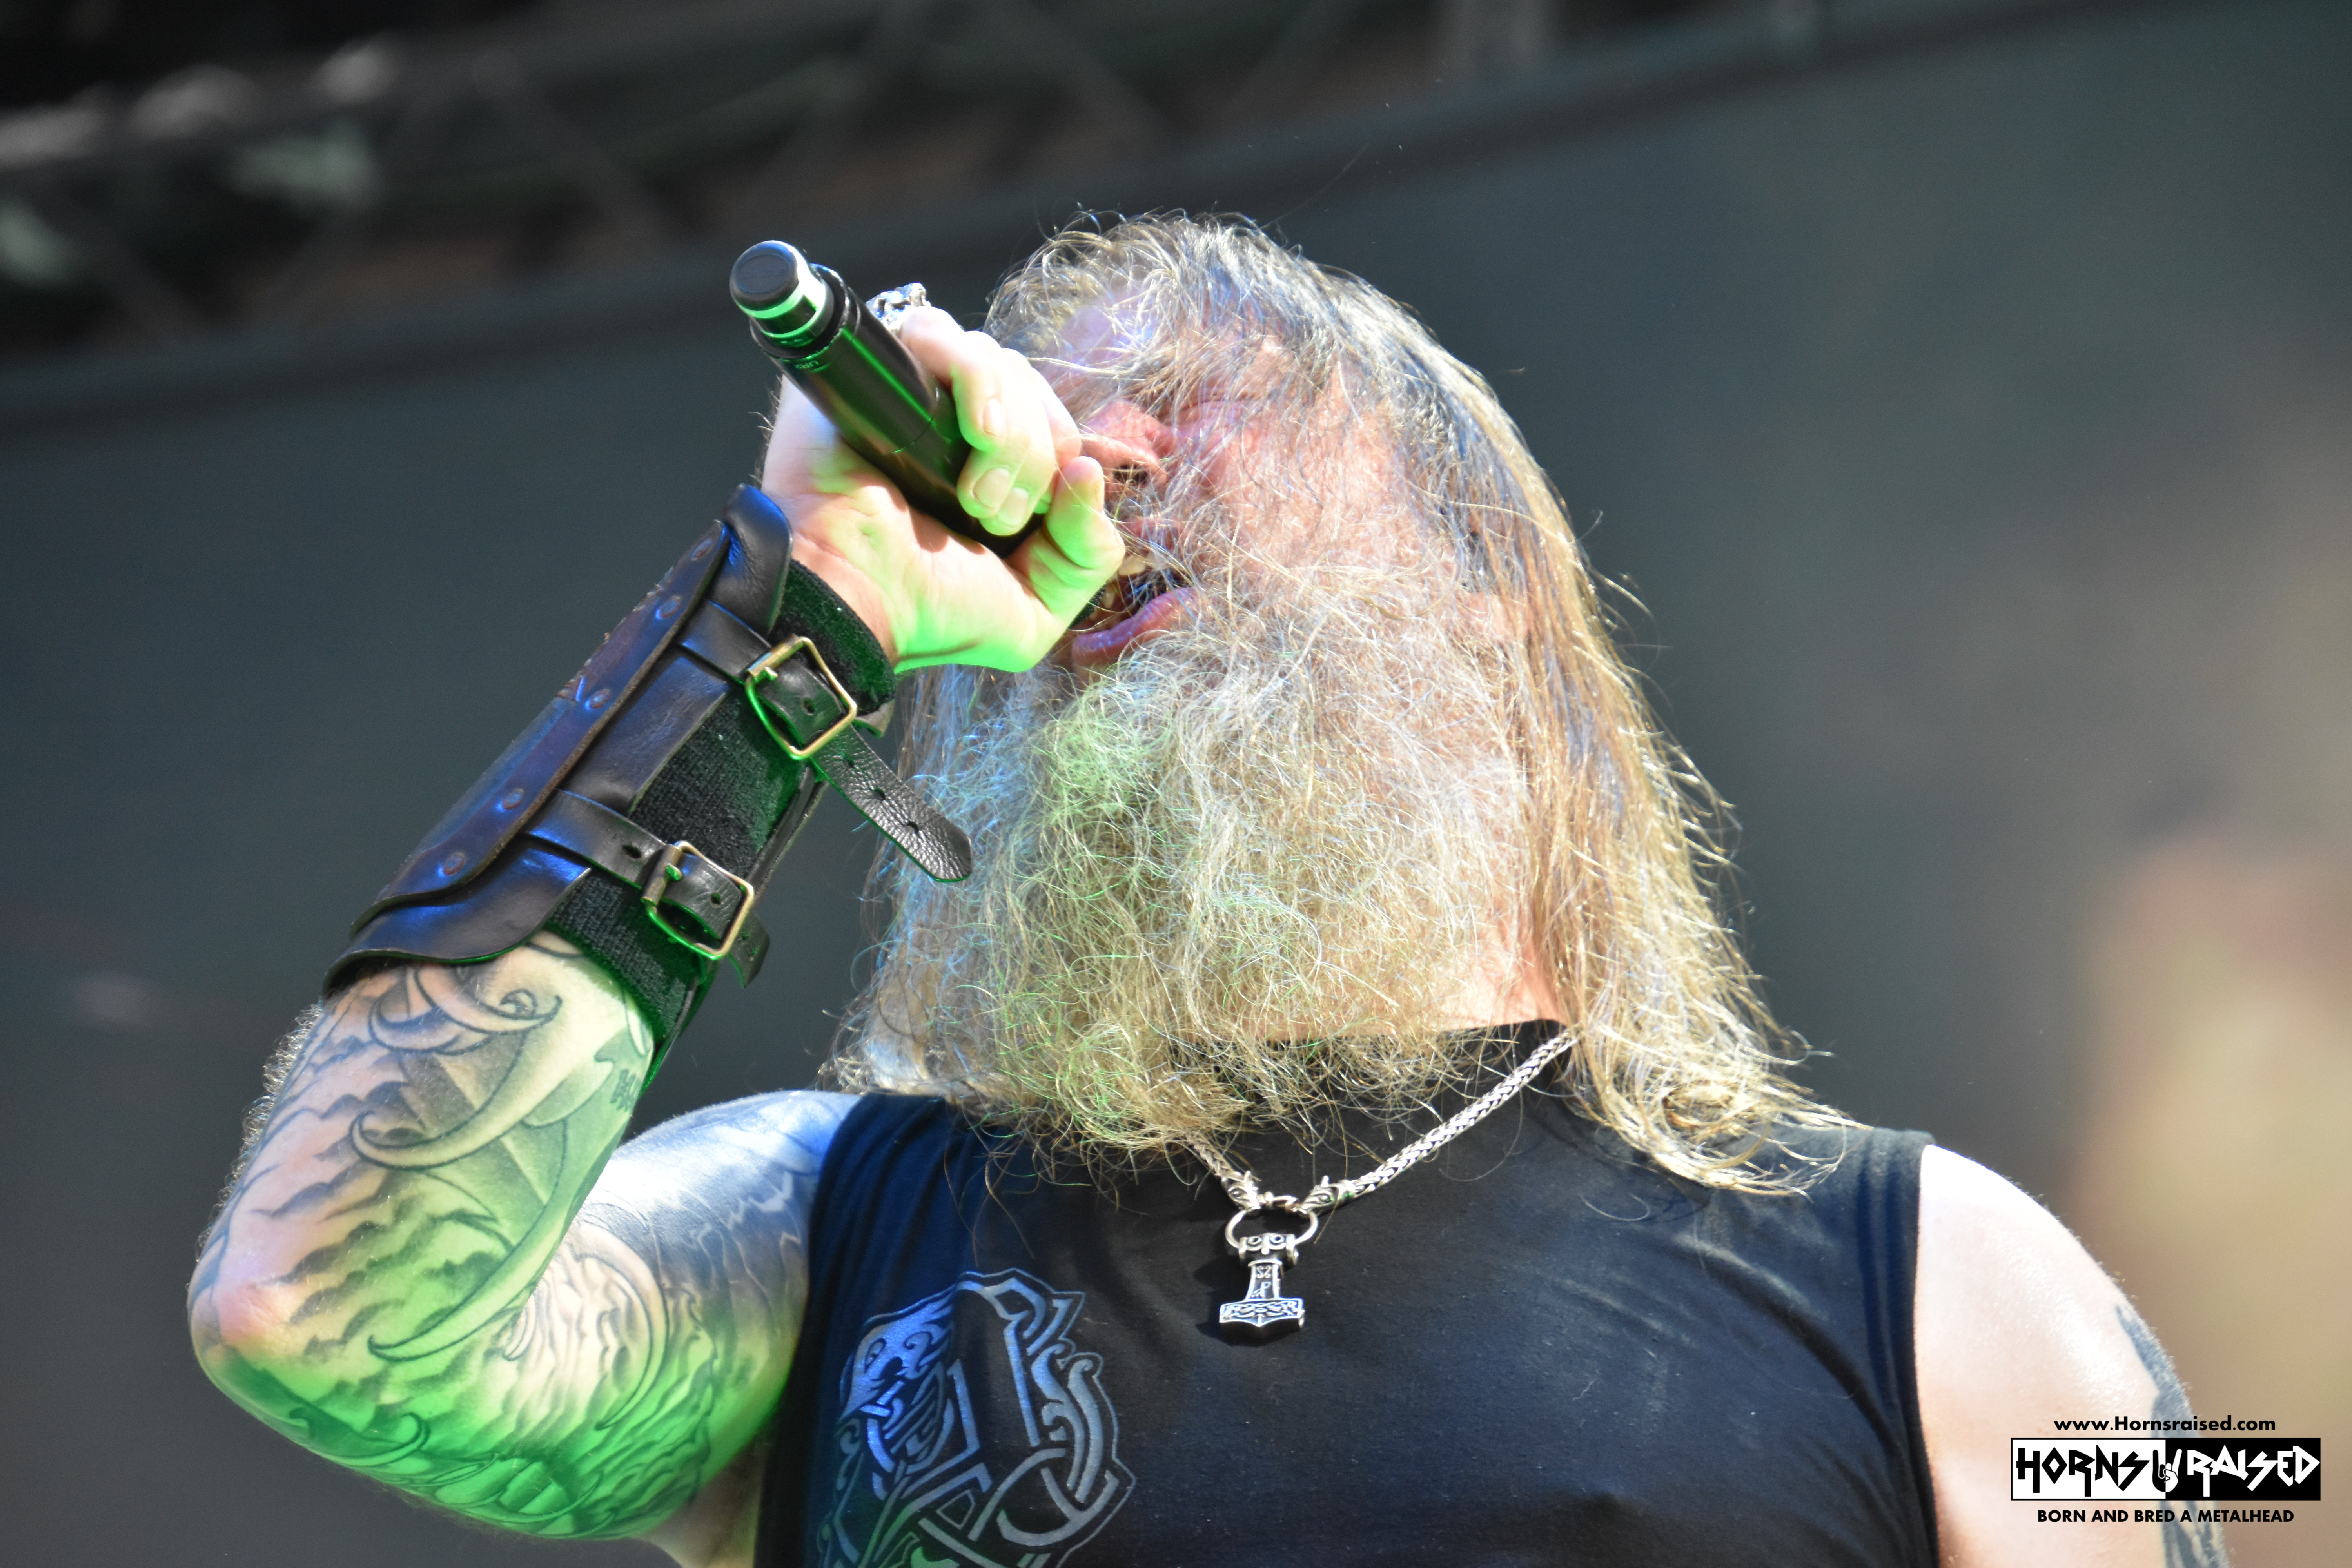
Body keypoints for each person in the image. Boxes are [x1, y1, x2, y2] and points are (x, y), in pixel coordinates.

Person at [188, 216, 2223, 1568]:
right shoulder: (823, 1225)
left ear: (1492, 575)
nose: (1106, 456)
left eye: (1207, 397)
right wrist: (795, 602)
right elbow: (317, 1315)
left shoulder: (1941, 1271)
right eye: (1064, 419)